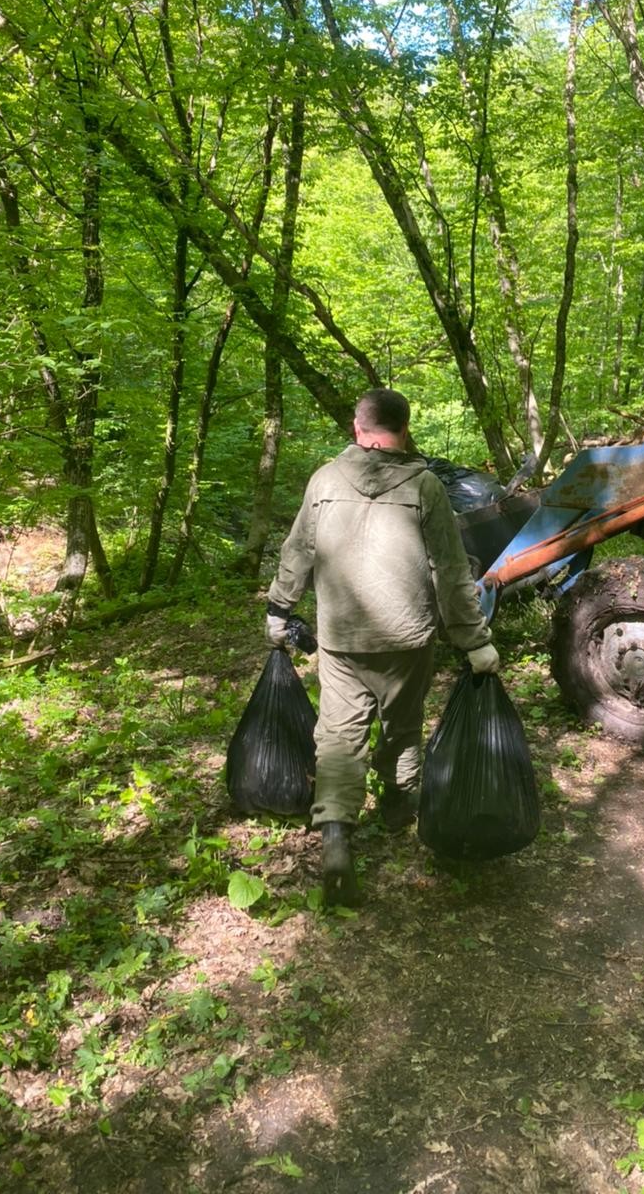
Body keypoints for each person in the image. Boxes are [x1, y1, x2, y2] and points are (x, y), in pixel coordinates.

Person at [265, 388, 500, 906]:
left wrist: (278, 610)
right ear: (405, 427)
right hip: (408, 639)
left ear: (358, 428)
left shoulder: (324, 481)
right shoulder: (426, 486)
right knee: (401, 725)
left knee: (339, 734)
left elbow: (298, 552)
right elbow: (451, 570)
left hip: (341, 638)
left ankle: (335, 838)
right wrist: (473, 641)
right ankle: (397, 805)